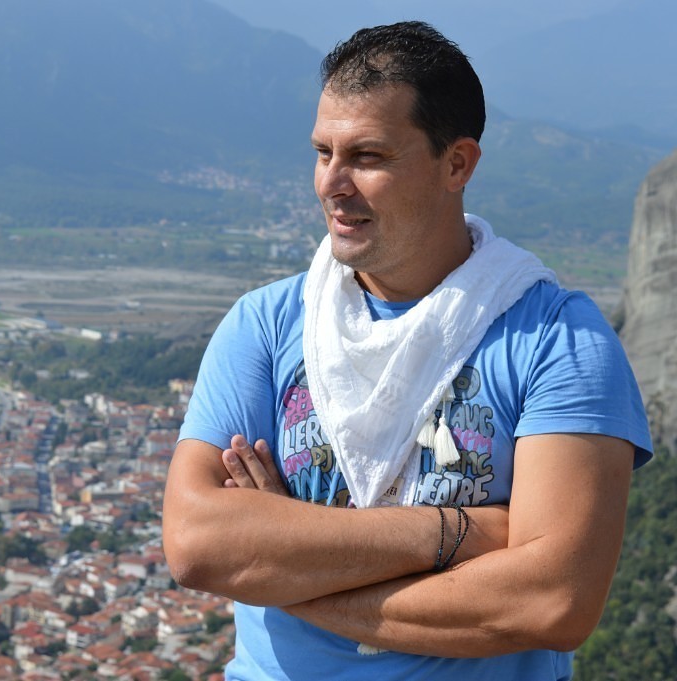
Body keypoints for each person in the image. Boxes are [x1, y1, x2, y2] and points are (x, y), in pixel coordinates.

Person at [161, 20, 653, 680]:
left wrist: (287, 569)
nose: (332, 183)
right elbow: (196, 543)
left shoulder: (557, 340)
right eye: (323, 152)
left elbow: (552, 601)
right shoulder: (266, 325)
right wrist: (458, 531)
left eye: (367, 156)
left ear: (457, 164)